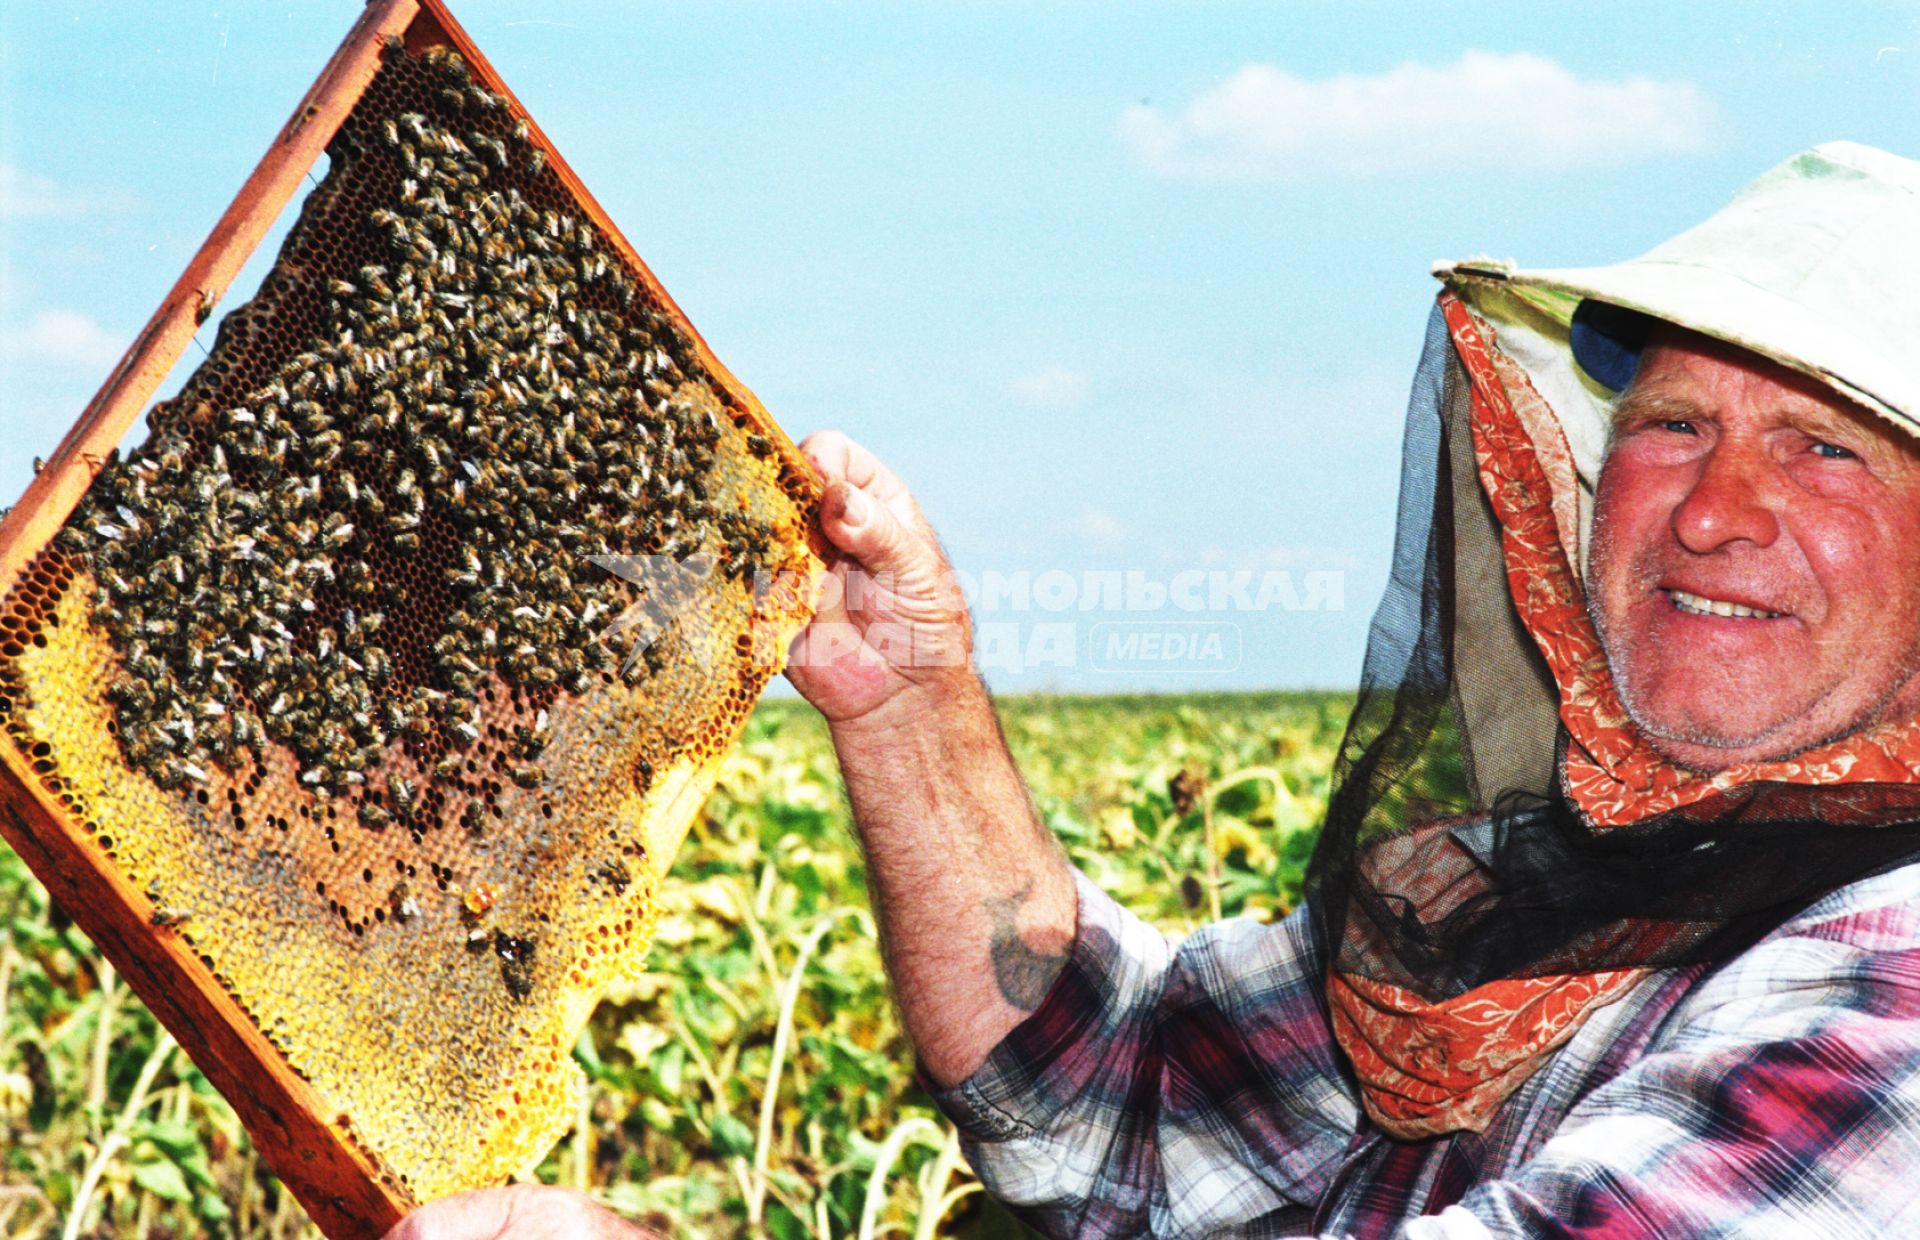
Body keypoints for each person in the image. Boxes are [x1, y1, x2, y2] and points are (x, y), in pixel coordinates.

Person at [388, 141, 1920, 1238]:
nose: (1712, 511)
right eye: (1669, 425)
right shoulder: (1561, 887)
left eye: (1825, 445)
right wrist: (910, 703)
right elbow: (1122, 1096)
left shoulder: (1891, 1007)